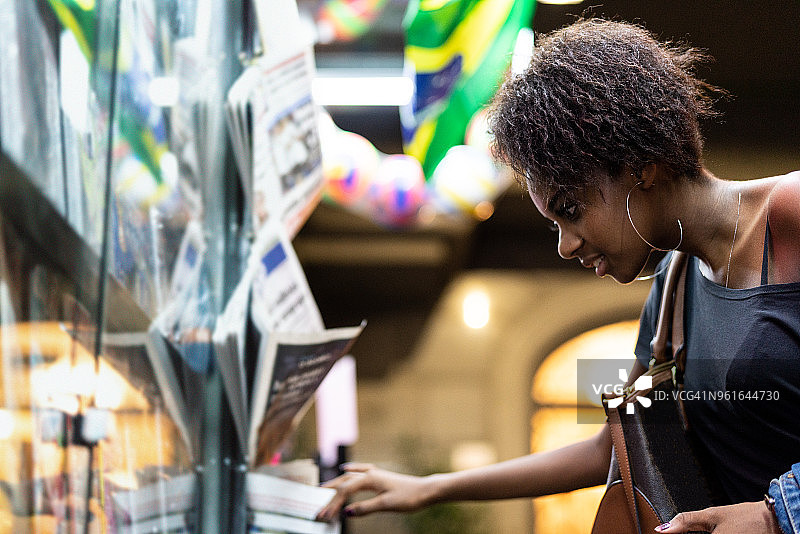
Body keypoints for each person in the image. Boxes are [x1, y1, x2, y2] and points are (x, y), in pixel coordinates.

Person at [316, 18, 800, 533]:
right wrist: (429, 487)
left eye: (571, 210)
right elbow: (609, 447)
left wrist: (776, 515)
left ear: (642, 165)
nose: (566, 246)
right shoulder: (672, 296)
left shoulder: (790, 217)